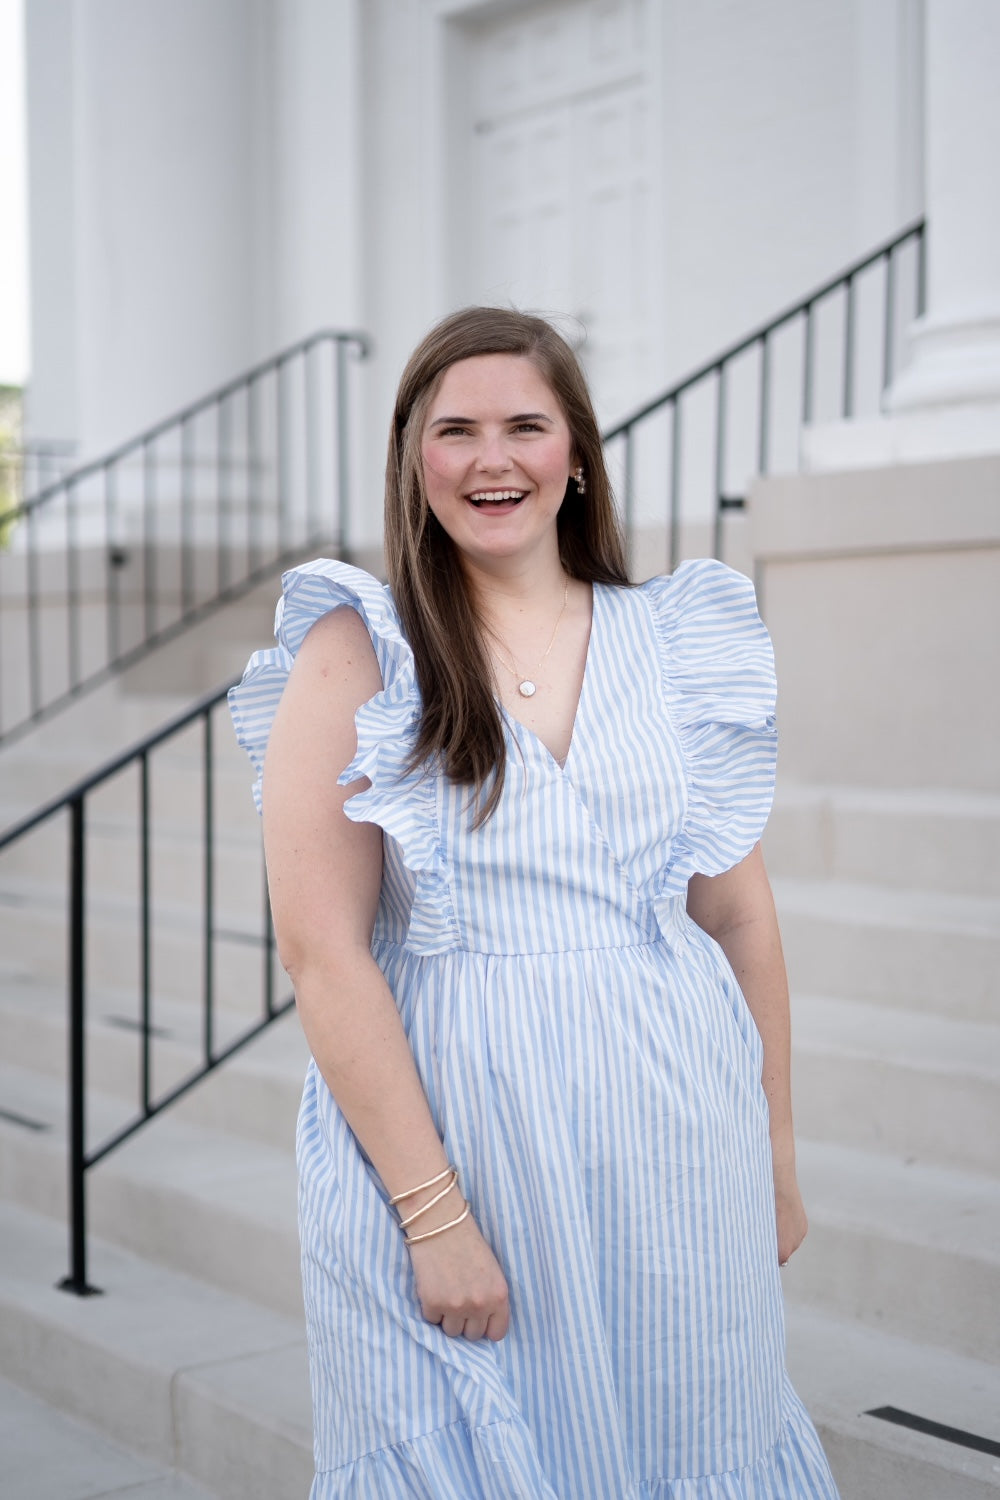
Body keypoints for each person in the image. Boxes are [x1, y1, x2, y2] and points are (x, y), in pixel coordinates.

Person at [229, 307, 840, 1498]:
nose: (491, 459)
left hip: (675, 1138)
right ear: (415, 459)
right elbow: (322, 951)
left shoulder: (673, 640)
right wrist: (431, 1215)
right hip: (458, 1142)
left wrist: (773, 1151)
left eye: (524, 426)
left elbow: (737, 917)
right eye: (454, 431)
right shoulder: (363, 649)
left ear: (576, 457)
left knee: (689, 1441)